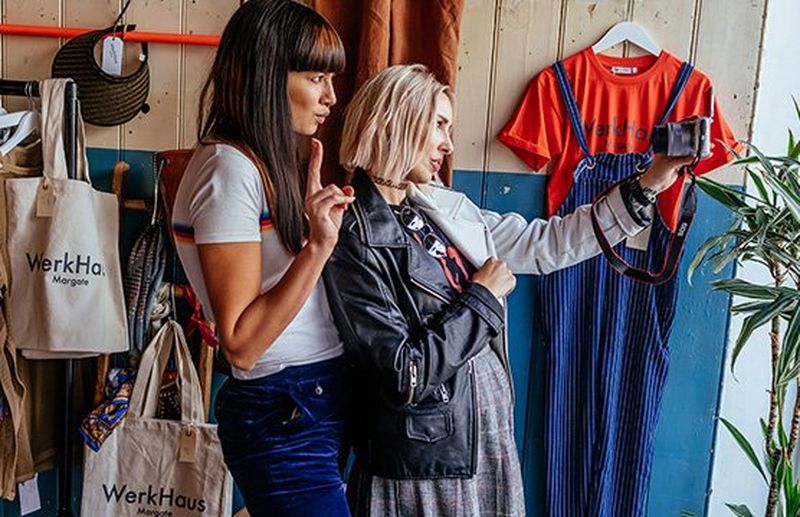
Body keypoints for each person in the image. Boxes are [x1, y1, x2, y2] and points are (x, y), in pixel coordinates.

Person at [323, 64, 693, 516]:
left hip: (482, 447)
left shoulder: (442, 208)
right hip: (424, 469)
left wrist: (651, 182)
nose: (448, 144)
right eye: (439, 124)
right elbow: (405, 374)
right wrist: (480, 298)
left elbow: (550, 244)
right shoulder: (353, 233)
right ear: (397, 118)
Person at [171, 1, 354, 515]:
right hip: (284, 403)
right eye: (316, 76)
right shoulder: (227, 170)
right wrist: (317, 248)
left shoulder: (263, 163)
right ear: (267, 75)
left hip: (312, 397)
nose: (330, 97)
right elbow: (243, 345)